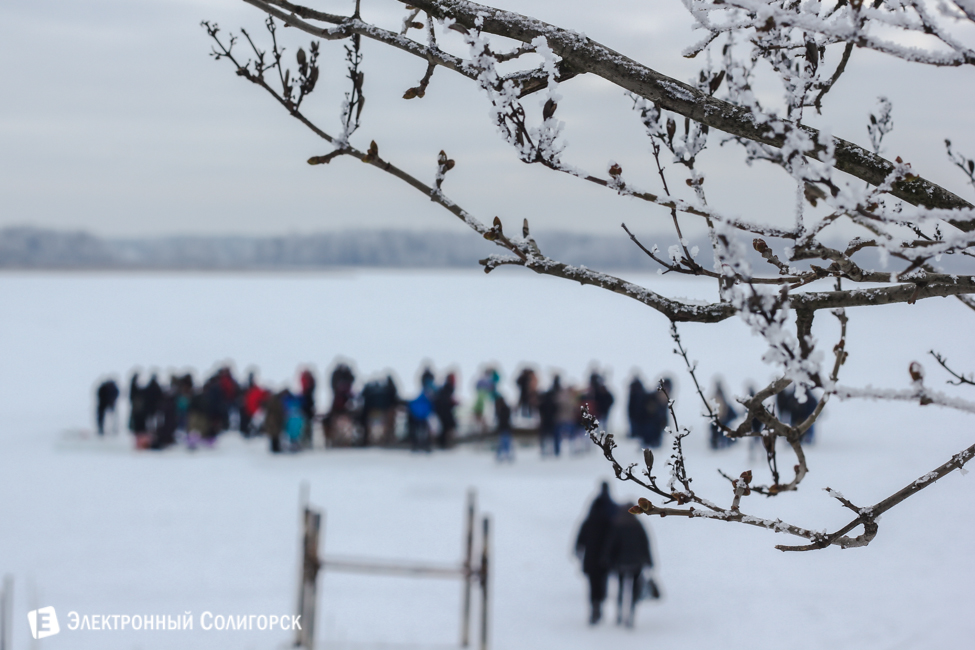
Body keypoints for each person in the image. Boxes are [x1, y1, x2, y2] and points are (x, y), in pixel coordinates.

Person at [602, 504, 655, 628]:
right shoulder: (638, 526)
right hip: (636, 564)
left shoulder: (617, 525)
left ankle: (619, 613)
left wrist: (607, 559)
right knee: (633, 591)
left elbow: (610, 545)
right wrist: (649, 561)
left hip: (620, 564)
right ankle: (631, 614)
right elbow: (645, 544)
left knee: (621, 589)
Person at [575, 482, 618, 625]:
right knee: (603, 581)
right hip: (605, 557)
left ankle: (595, 607)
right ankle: (600, 603)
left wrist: (578, 549)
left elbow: (581, 536)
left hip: (591, 558)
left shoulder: (591, 517)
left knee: (593, 584)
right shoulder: (611, 516)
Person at [709, 380, 738, 450]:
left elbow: (723, 407)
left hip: (720, 418)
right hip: (719, 417)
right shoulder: (718, 396)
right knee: (720, 431)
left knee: (721, 431)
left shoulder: (719, 395)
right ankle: (719, 444)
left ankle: (725, 442)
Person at [494, 392, 514, 462]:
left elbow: (503, 419)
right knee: (504, 442)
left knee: (505, 442)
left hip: (504, 428)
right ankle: (504, 455)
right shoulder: (502, 409)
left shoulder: (503, 409)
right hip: (504, 428)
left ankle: (506, 455)